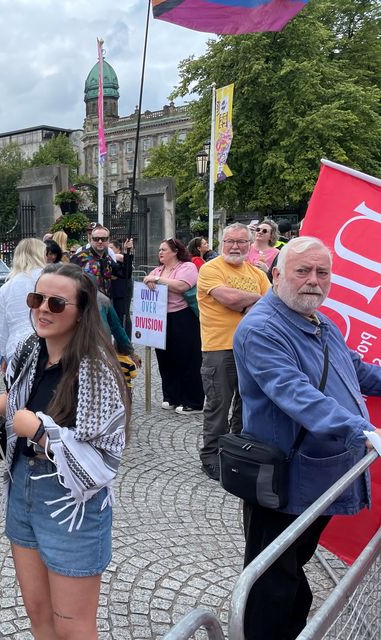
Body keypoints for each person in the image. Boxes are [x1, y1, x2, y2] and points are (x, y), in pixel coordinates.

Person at [0, 262, 129, 640]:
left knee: (73, 625)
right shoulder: (30, 349)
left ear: (81, 312)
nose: (42, 309)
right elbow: (16, 393)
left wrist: (42, 432)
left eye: (56, 304)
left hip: (71, 501)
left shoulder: (97, 368)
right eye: (36, 298)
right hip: (22, 485)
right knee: (38, 614)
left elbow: (106, 455)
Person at [233, 237, 381, 640]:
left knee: (292, 565)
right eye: (303, 271)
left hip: (320, 473)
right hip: (283, 476)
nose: (313, 281)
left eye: (323, 272)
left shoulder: (320, 320)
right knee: (271, 582)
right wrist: (362, 431)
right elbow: (295, 392)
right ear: (277, 274)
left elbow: (356, 371)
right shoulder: (262, 329)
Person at [197, 224, 271, 480]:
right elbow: (229, 298)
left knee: (246, 406)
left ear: (250, 245)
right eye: (230, 241)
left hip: (253, 350)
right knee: (218, 405)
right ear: (221, 243)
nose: (235, 246)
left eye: (241, 242)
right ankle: (210, 456)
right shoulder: (210, 269)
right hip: (220, 348)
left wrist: (250, 301)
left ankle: (235, 452)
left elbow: (270, 308)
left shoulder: (258, 273)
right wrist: (255, 299)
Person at [143, 238, 205, 414]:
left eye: (164, 249)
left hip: (182, 317)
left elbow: (182, 286)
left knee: (187, 359)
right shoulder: (158, 269)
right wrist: (152, 279)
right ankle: (172, 396)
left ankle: (193, 401)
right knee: (165, 359)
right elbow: (148, 283)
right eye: (159, 250)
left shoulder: (187, 267)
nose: (160, 252)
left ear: (175, 251)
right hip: (160, 318)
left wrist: (156, 279)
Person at [0, 238, 45, 372]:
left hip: (16, 347)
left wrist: (2, 355)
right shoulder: (48, 278)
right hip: (47, 343)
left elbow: (1, 326)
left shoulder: (7, 287)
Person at [71, 224, 121, 299]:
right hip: (86, 302)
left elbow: (122, 273)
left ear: (108, 240)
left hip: (105, 302)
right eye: (96, 239)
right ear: (91, 239)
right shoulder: (79, 257)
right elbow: (69, 279)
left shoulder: (108, 257)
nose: (100, 241)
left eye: (103, 239)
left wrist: (127, 253)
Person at [108, 237, 135, 335]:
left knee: (123, 315)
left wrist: (127, 251)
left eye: (111, 247)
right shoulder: (110, 258)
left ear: (118, 248)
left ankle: (127, 339)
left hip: (122, 291)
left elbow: (127, 268)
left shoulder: (120, 257)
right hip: (112, 291)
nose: (109, 249)